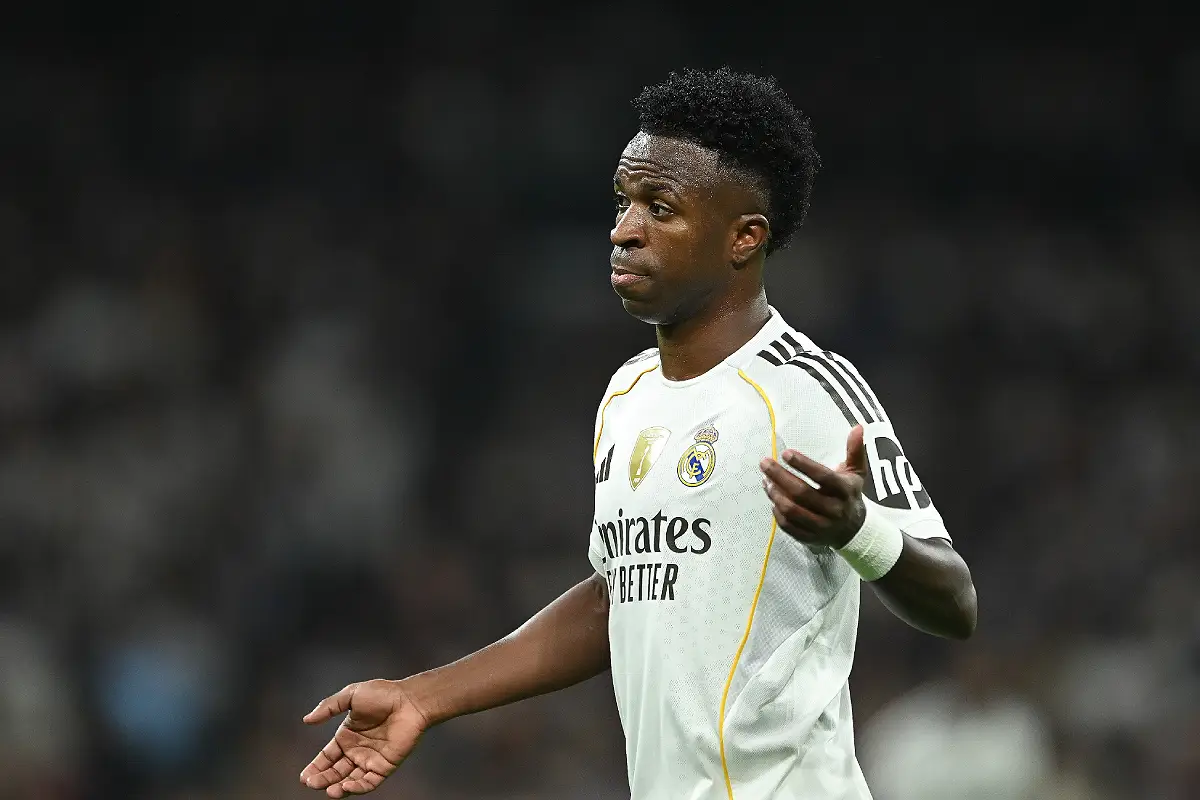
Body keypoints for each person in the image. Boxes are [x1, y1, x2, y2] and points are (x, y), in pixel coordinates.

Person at [299, 66, 978, 800]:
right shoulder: (628, 395)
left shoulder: (805, 389)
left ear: (743, 238)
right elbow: (615, 595)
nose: (624, 230)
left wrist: (857, 529)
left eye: (661, 208)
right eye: (623, 203)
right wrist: (424, 697)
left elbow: (956, 601)